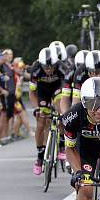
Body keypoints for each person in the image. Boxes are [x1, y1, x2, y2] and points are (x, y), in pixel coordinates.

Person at [29, 47, 65, 175]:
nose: (49, 69)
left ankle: (62, 144)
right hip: (42, 92)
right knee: (40, 122)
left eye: (52, 67)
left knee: (61, 110)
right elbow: (32, 92)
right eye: (46, 67)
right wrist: (36, 108)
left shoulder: (61, 67)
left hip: (58, 89)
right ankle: (40, 156)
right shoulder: (36, 69)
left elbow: (67, 89)